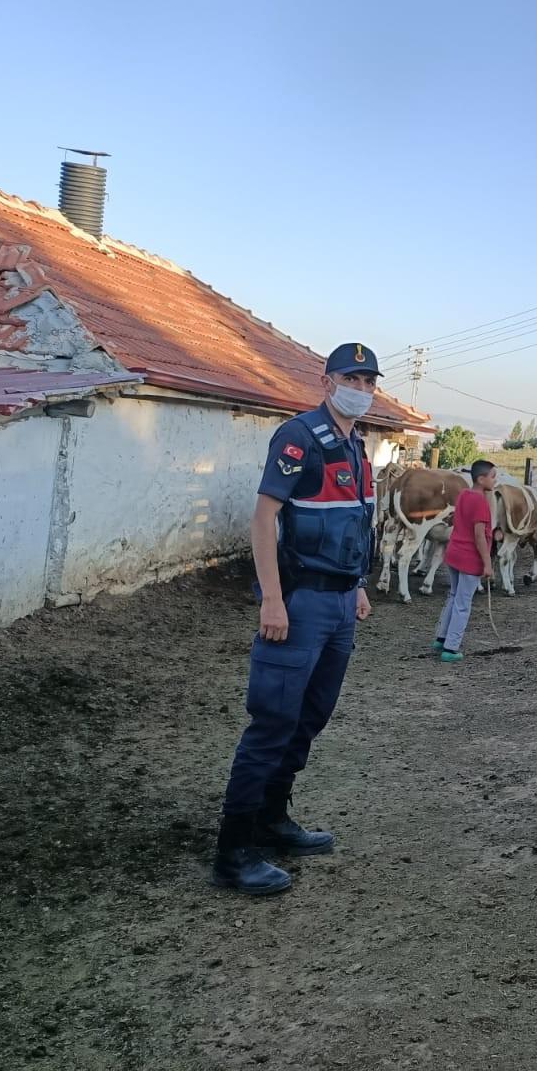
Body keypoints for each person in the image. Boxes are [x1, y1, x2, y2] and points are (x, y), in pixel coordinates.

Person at [213, 342, 380, 896]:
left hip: (339, 606)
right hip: (299, 601)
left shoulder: (358, 448)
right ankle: (234, 853)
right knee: (272, 724)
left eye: (369, 380)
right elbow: (264, 519)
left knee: (310, 718)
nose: (362, 388)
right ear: (327, 382)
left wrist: (357, 585)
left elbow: (354, 525)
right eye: (352, 378)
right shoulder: (298, 437)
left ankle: (273, 819)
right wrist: (271, 598)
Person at [434, 460, 498, 663]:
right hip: (470, 558)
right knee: (463, 602)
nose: (495, 480)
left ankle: (441, 638)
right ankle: (451, 648)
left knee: (453, 596)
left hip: (454, 553)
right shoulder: (480, 502)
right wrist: (487, 564)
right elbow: (480, 535)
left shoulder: (464, 495)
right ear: (481, 479)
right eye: (493, 476)